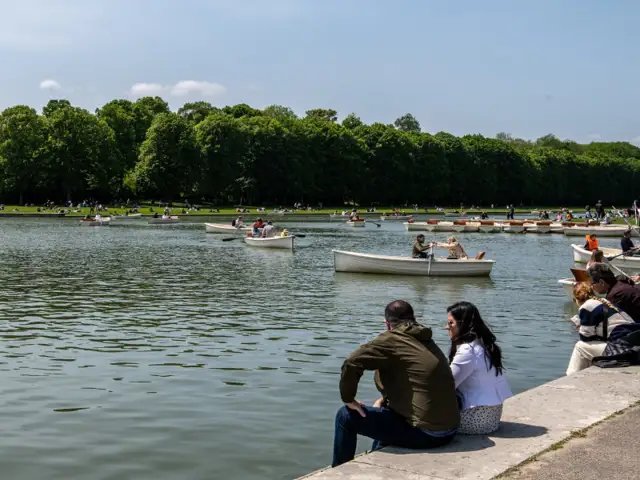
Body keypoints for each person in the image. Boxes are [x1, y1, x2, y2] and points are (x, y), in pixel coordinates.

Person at [332, 300, 459, 467]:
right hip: (450, 430)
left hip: (428, 434)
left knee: (345, 416)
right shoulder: (425, 338)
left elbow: (352, 362)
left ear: (387, 324)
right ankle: (376, 452)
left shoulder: (392, 339)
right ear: (413, 319)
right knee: (384, 411)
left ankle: (338, 472)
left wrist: (348, 398)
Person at [446, 302, 512, 434]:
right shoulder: (484, 345)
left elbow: (447, 385)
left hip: (475, 420)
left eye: (450, 323)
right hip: (491, 418)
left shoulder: (467, 350)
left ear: (462, 324)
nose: (447, 327)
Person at [566, 282, 639, 375]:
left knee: (580, 346)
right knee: (588, 348)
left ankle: (571, 376)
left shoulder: (587, 307)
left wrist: (579, 325)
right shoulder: (604, 302)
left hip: (621, 351)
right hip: (633, 346)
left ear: (575, 299)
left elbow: (585, 338)